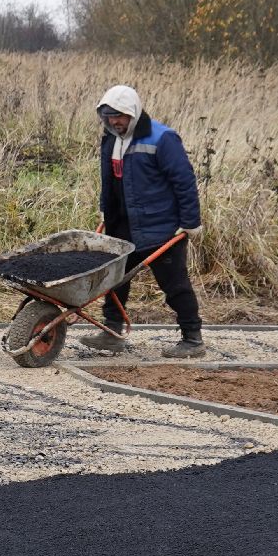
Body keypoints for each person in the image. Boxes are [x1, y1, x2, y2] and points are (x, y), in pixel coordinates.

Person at [80, 84, 206, 358]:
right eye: (109, 116)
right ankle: (113, 332)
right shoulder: (111, 139)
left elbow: (184, 182)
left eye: (120, 116)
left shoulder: (162, 138)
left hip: (161, 227)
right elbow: (109, 181)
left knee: (174, 285)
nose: (115, 121)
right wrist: (105, 210)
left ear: (134, 113)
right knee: (114, 281)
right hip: (122, 225)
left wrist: (190, 222)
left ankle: (192, 339)